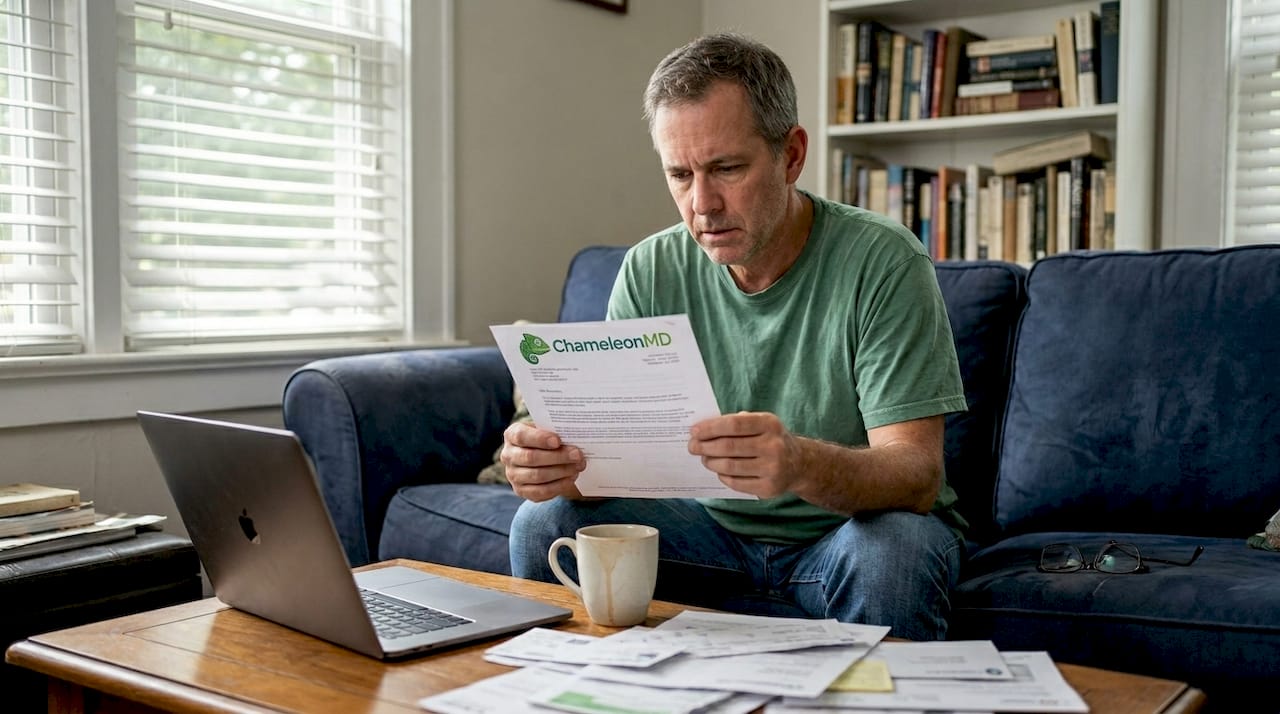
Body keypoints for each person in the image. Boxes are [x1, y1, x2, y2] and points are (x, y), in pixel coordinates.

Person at [502, 32, 969, 641]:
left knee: (899, 550)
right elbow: (616, 461)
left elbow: (915, 475)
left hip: (843, 540)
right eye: (680, 173)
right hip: (707, 537)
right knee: (543, 521)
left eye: (727, 168)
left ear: (792, 155)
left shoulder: (884, 260)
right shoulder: (649, 269)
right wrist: (555, 467)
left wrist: (799, 463)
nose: (702, 204)